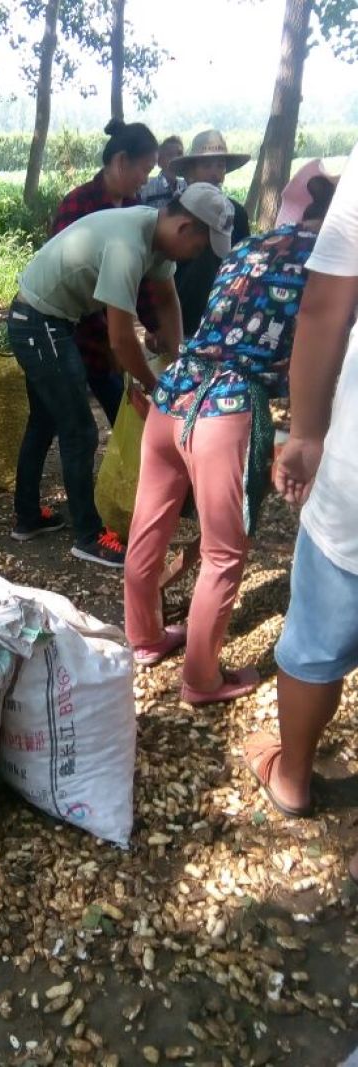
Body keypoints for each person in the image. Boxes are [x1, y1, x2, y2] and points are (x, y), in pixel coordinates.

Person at [124, 178, 336, 705]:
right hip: (225, 408)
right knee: (223, 553)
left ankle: (145, 639)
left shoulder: (248, 246)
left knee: (148, 524)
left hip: (174, 393)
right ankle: (200, 680)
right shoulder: (333, 263)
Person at [8, 183, 233, 567]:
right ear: (185, 228)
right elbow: (121, 339)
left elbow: (166, 299)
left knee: (46, 421)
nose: (198, 255)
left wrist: (178, 362)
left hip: (49, 320)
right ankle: (88, 536)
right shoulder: (128, 246)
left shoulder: (154, 237)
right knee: (79, 430)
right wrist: (156, 384)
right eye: (200, 246)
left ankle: (27, 518)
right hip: (38, 323)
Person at [243, 145, 358, 877]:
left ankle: (291, 775)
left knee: (316, 633)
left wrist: (303, 433)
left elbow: (322, 307)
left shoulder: (261, 250)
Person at [50, 118, 160, 430]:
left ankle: (131, 477)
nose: (145, 180)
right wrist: (116, 340)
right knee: (64, 427)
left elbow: (141, 279)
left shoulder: (134, 208)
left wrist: (155, 326)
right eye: (145, 169)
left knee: (124, 414)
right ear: (121, 161)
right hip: (67, 332)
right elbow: (70, 283)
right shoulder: (78, 204)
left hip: (105, 334)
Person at [169, 129, 251, 336]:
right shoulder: (174, 211)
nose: (215, 172)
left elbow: (242, 263)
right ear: (190, 172)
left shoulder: (236, 213)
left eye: (220, 165)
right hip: (181, 313)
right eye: (206, 165)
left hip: (224, 314)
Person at [141, 135, 187, 209]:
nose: (175, 158)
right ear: (159, 161)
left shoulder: (187, 187)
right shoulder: (146, 189)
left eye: (179, 154)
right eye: (170, 155)